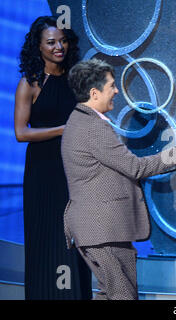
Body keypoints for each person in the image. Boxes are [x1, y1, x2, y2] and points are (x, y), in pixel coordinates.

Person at [62, 58, 176, 300]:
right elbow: (135, 167)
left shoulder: (81, 121)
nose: (117, 91)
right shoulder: (92, 127)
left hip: (100, 229)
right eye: (111, 86)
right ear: (94, 92)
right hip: (102, 229)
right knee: (122, 295)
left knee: (109, 294)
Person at [14, 16, 92, 300]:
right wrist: (62, 129)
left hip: (75, 169)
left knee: (74, 239)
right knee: (48, 239)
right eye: (51, 42)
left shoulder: (77, 79)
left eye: (62, 40)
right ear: (38, 46)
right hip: (43, 171)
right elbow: (21, 133)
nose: (59, 46)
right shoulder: (30, 83)